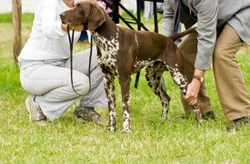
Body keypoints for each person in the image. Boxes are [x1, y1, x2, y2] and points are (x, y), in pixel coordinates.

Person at [162, 0, 250, 131]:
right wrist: (160, 49)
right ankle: (201, 112)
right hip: (213, 17)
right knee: (183, 53)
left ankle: (242, 115)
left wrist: (196, 79)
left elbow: (206, 38)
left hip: (241, 12)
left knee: (222, 53)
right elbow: (169, 16)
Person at [18, 0, 108, 125]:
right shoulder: (49, 3)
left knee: (104, 54)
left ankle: (85, 109)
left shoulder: (81, 5)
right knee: (81, 84)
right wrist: (68, 27)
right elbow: (48, 28)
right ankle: (37, 103)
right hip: (34, 67)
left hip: (63, 62)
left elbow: (94, 35)